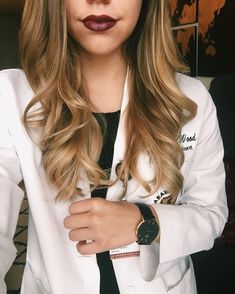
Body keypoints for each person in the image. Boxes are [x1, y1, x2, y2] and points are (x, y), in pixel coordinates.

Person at [0, 0, 228, 293]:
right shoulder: (12, 97)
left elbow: (211, 214)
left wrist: (146, 221)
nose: (99, 0)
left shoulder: (191, 100)